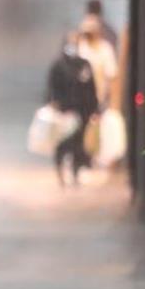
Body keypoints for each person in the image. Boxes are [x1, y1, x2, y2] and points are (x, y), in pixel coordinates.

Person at [46, 33, 100, 187]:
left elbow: (91, 88)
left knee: (78, 143)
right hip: (63, 112)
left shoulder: (84, 65)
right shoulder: (58, 66)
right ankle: (61, 172)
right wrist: (54, 104)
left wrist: (95, 109)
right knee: (62, 144)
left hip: (82, 111)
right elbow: (51, 88)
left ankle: (75, 173)